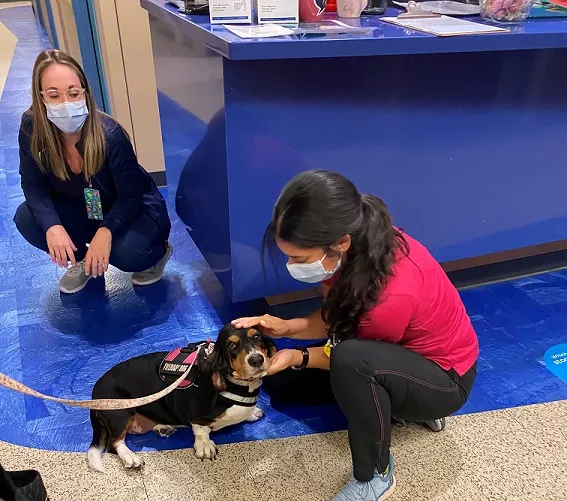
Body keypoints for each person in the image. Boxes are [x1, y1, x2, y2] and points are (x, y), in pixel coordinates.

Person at [232, 170, 479, 501]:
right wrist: (287, 327)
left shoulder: (390, 296)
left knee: (350, 364)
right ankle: (393, 404)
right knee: (284, 383)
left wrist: (299, 355)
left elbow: (347, 351)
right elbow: (338, 317)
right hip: (389, 352)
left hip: (445, 379)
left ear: (339, 243)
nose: (292, 265)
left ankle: (375, 474)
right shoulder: (355, 244)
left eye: (299, 258)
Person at [14, 50, 172, 294]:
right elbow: (32, 184)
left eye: (74, 93)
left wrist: (106, 232)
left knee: (127, 254)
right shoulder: (31, 128)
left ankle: (157, 255)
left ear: (85, 93)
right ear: (41, 97)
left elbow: (131, 198)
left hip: (127, 209)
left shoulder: (111, 136)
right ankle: (82, 261)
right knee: (27, 218)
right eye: (54, 95)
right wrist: (52, 226)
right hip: (83, 206)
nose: (66, 102)